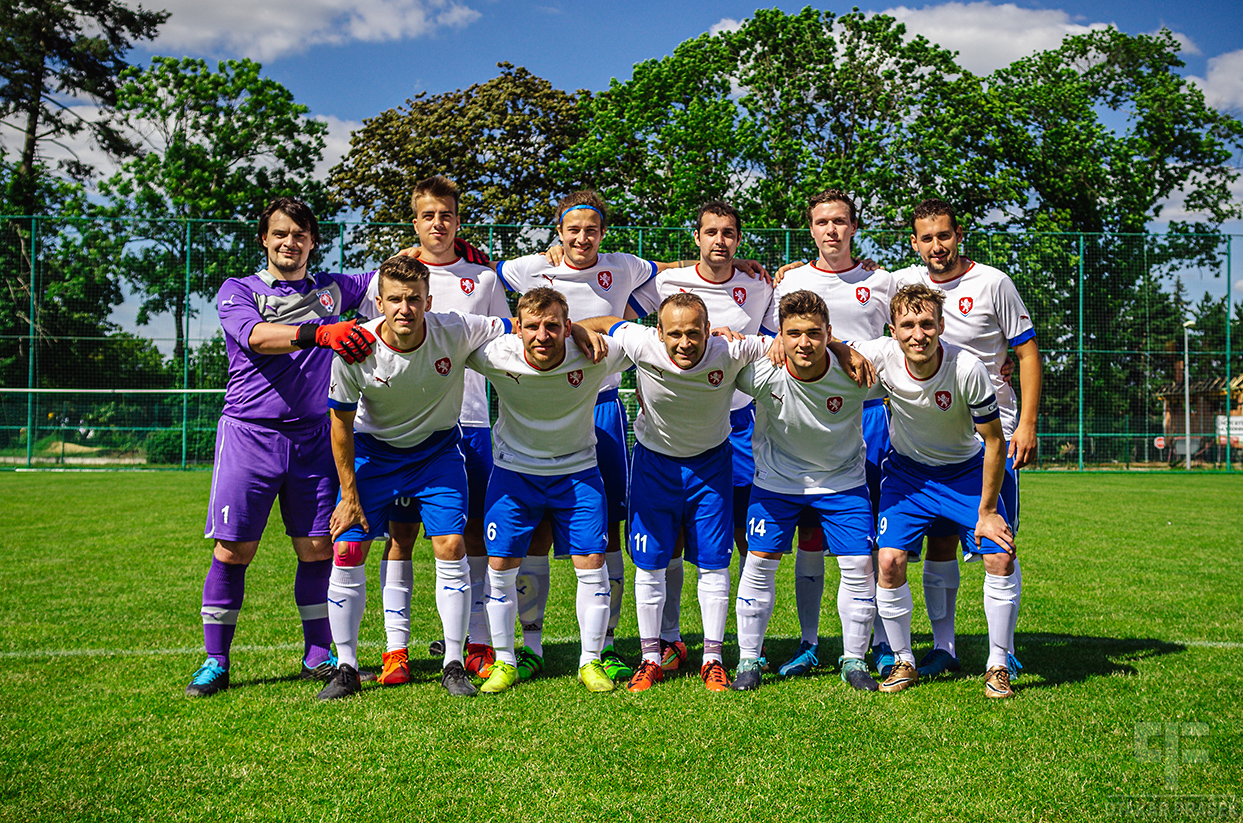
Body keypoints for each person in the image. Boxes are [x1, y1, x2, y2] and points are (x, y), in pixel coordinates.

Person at [186, 197, 377, 697]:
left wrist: (444, 249)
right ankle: (216, 660)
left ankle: (318, 655)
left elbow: (395, 272)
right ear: (264, 240)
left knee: (317, 548)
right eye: (280, 234)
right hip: (250, 435)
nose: (290, 242)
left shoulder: (334, 288)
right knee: (234, 550)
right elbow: (255, 336)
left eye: (300, 234)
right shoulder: (239, 290)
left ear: (313, 241)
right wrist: (319, 332)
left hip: (315, 437)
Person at [316, 254, 514, 699]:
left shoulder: (456, 328)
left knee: (452, 544)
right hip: (374, 454)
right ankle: (345, 666)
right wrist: (348, 495)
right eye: (394, 299)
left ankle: (453, 662)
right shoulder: (356, 348)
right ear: (379, 303)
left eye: (413, 299)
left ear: (427, 300)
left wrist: (576, 326)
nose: (404, 308)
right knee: (347, 548)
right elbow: (340, 425)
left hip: (437, 451)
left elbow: (515, 326)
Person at [357, 176, 511, 686]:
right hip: (402, 431)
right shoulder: (394, 278)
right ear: (415, 221)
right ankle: (394, 649)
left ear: (457, 221)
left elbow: (506, 345)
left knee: (470, 537)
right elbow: (369, 350)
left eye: (446, 215)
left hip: (469, 423)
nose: (437, 224)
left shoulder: (484, 279)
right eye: (428, 216)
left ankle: (473, 643)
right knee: (400, 537)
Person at [576, 292, 769, 692]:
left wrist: (841, 349)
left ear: (708, 330)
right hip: (654, 465)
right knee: (649, 562)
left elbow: (784, 341)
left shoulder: (730, 348)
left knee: (715, 562)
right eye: (675, 334)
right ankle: (651, 658)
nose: (685, 343)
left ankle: (712, 659)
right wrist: (578, 329)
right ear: (659, 332)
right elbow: (603, 322)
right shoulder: (640, 340)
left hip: (711, 467)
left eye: (694, 333)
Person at [624, 201, 777, 676]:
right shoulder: (664, 288)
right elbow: (617, 317)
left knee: (726, 545)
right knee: (658, 551)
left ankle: (721, 653)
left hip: (733, 426)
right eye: (710, 232)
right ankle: (662, 646)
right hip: (661, 445)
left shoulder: (758, 284)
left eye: (728, 232)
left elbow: (780, 338)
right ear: (696, 236)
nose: (719, 240)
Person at [892, 199, 1041, 680]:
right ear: (915, 243)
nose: (937, 246)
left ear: (959, 235)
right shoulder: (904, 285)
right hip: (929, 435)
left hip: (987, 436)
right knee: (938, 547)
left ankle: (1003, 655)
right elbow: (844, 288)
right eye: (926, 238)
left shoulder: (992, 282)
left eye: (944, 235)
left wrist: (1028, 423)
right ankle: (945, 648)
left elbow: (1027, 352)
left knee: (995, 544)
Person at [851, 283, 1020, 698]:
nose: (917, 334)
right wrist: (843, 350)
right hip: (908, 475)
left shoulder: (967, 368)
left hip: (964, 472)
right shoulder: (883, 356)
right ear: (892, 330)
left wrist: (986, 512)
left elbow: (995, 442)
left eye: (926, 324)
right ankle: (904, 660)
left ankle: (998, 664)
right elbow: (832, 345)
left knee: (999, 555)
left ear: (942, 325)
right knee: (888, 562)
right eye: (907, 325)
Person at [467, 287, 628, 693]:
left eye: (553, 326)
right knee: (500, 567)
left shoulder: (594, 354)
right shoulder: (495, 354)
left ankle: (590, 662)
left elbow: (643, 337)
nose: (543, 335)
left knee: (592, 564)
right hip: (513, 474)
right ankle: (507, 661)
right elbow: (444, 336)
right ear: (517, 328)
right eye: (533, 326)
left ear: (567, 327)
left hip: (578, 474)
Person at [765, 190, 897, 678]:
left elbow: (912, 328)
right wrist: (839, 347)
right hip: (806, 420)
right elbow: (774, 338)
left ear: (854, 227)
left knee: (875, 537)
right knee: (811, 535)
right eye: (822, 222)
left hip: (871, 416)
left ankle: (879, 641)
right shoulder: (791, 281)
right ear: (811, 229)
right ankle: (809, 641)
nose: (831, 231)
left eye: (840, 221)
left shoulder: (881, 279)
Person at [731, 290, 880, 691]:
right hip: (777, 483)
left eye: (815, 333)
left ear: (830, 333)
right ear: (779, 335)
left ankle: (854, 659)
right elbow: (710, 358)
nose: (804, 343)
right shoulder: (761, 373)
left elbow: (911, 360)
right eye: (793, 333)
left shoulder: (858, 372)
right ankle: (748, 659)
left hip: (843, 482)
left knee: (859, 569)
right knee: (759, 564)